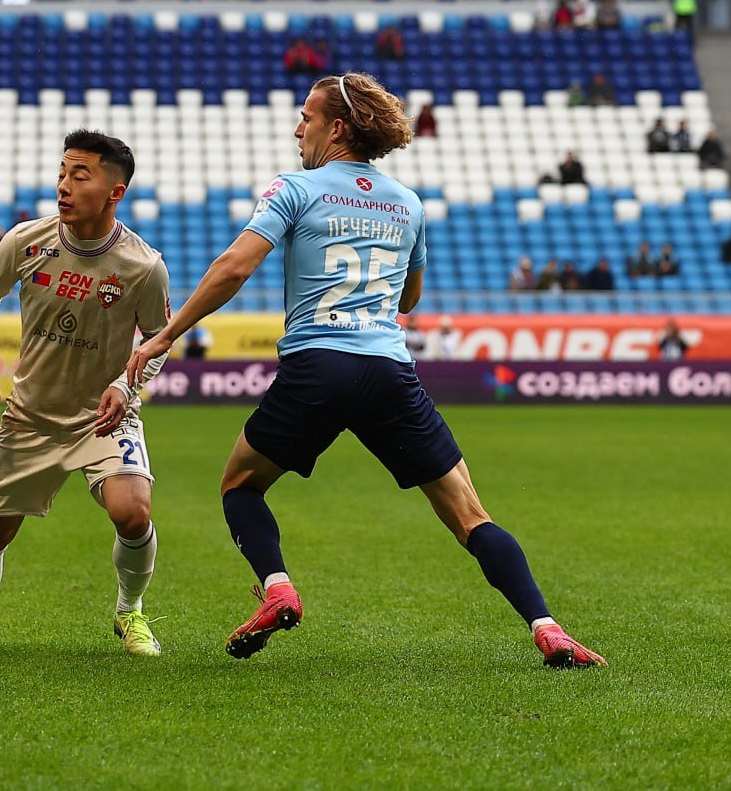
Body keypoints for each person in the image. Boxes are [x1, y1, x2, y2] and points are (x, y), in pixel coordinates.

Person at [126, 72, 605, 668]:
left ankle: (278, 587)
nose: (298, 129)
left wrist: (165, 334)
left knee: (240, 485)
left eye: (306, 117)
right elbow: (409, 299)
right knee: (469, 515)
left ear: (337, 128)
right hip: (388, 371)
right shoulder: (408, 203)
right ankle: (547, 627)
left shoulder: (295, 188)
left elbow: (234, 267)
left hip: (318, 365)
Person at [0, 129, 173, 658]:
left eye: (79, 176)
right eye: (62, 173)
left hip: (104, 417)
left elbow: (159, 340)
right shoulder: (25, 241)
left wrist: (125, 385)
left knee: (134, 512)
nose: (63, 185)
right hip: (31, 416)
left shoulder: (144, 266)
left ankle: (130, 611)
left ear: (115, 192)